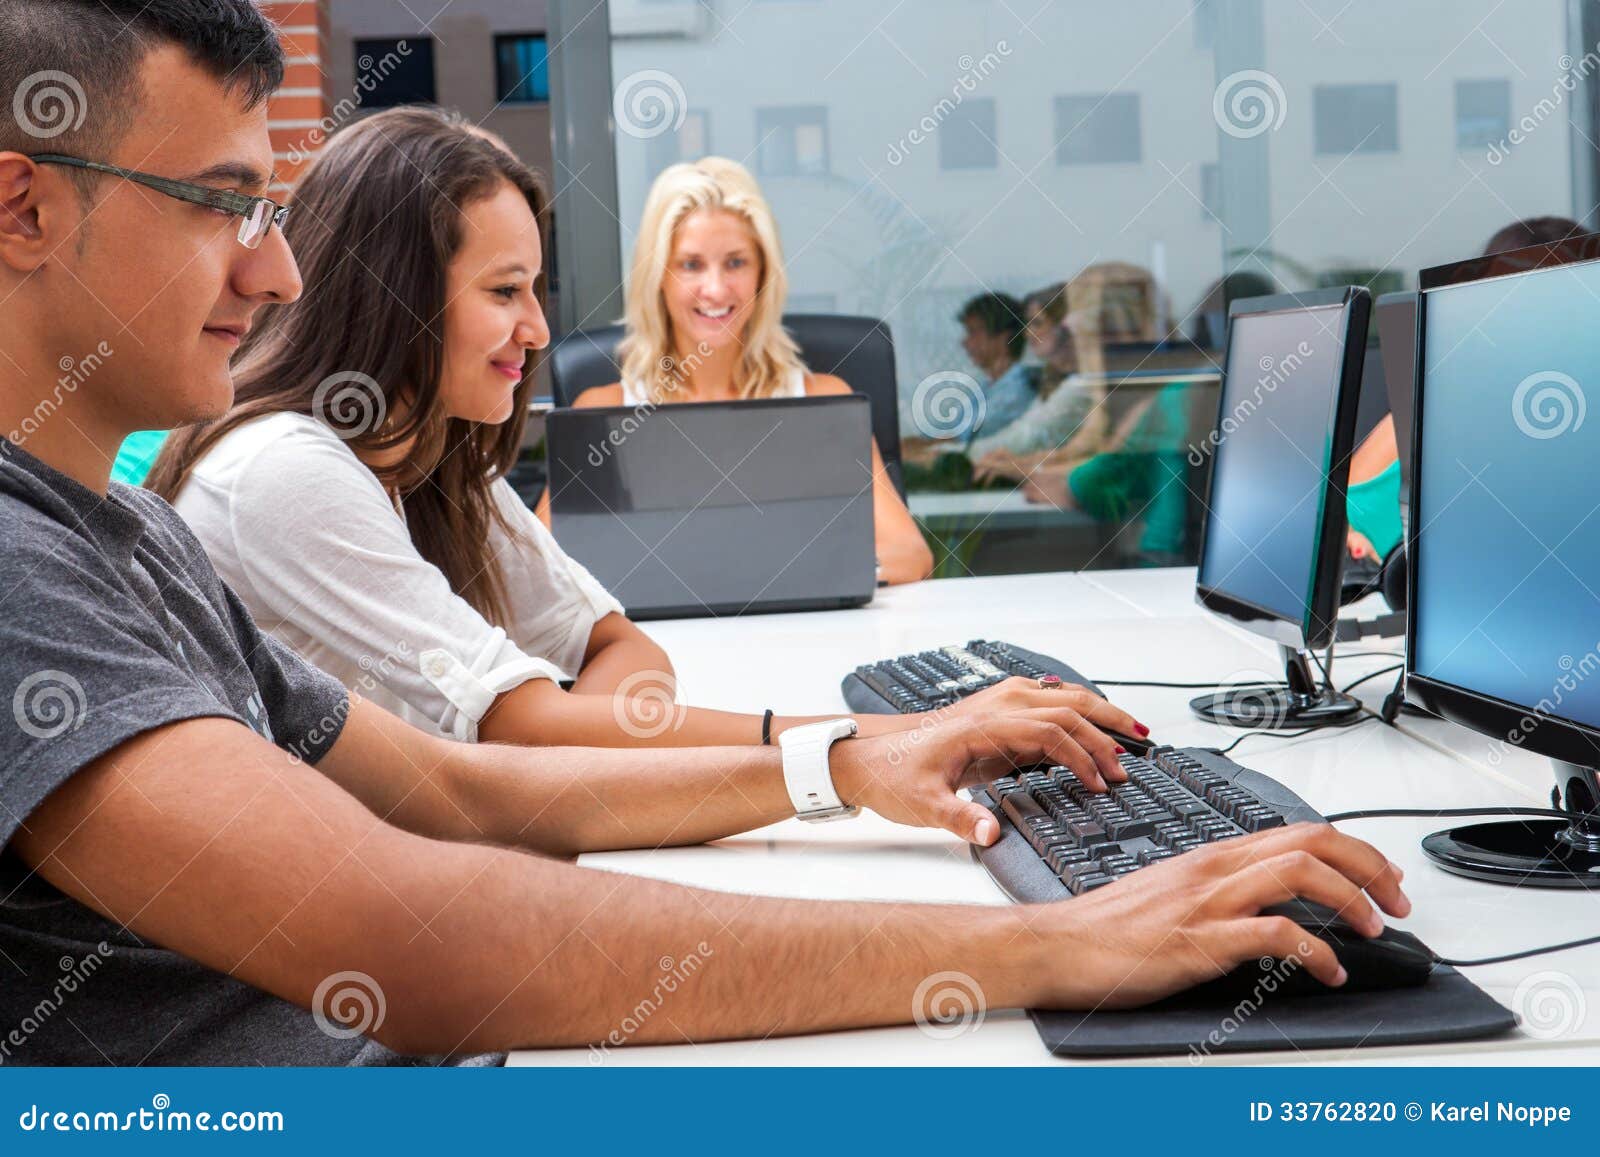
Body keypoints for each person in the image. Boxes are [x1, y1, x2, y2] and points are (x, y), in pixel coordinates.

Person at [0, 0, 1410, 1066]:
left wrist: (850, 762)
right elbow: (410, 931)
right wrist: (1053, 939)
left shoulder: (134, 533)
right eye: (223, 205)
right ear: (25, 204)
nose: (278, 268)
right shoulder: (32, 560)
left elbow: (460, 788)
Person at [145, 108, 1083, 750]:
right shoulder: (282, 473)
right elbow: (531, 728)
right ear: (398, 297)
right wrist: (893, 742)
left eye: (537, 290)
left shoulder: (432, 470)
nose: (542, 331)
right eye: (506, 291)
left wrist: (575, 738)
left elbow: (621, 655)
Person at [535, 158, 934, 584]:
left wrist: (760, 579)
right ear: (659, 277)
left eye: (736, 263)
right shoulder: (604, 411)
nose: (717, 289)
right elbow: (538, 569)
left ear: (763, 273)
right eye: (690, 264)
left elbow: (910, 555)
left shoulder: (823, 400)